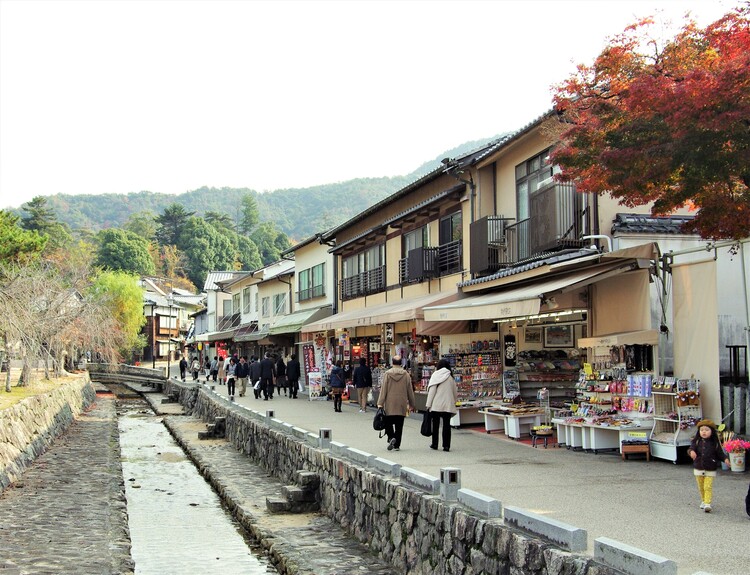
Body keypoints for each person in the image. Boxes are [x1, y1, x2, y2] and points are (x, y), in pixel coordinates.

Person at [688, 419, 730, 513]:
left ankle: (707, 503)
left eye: (707, 430)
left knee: (708, 486)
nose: (704, 432)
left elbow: (720, 453)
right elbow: (691, 448)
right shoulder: (697, 441)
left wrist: (725, 459)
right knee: (701, 486)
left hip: (711, 467)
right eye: (702, 430)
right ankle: (703, 500)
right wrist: (692, 452)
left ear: (712, 431)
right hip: (698, 467)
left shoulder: (715, 443)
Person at [377, 355, 416, 451]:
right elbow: (410, 390)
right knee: (399, 425)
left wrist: (380, 403)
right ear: (401, 363)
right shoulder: (406, 374)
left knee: (388, 423)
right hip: (401, 403)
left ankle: (391, 437)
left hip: (390, 403)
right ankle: (397, 444)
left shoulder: (387, 374)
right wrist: (412, 404)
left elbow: (384, 389)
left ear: (392, 363)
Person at [425, 359, 458, 452]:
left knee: (435, 425)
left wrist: (428, 404)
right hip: (447, 405)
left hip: (436, 404)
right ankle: (446, 446)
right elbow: (454, 392)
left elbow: (432, 391)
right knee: (446, 426)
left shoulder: (435, 375)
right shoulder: (451, 377)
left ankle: (435, 444)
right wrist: (454, 402)